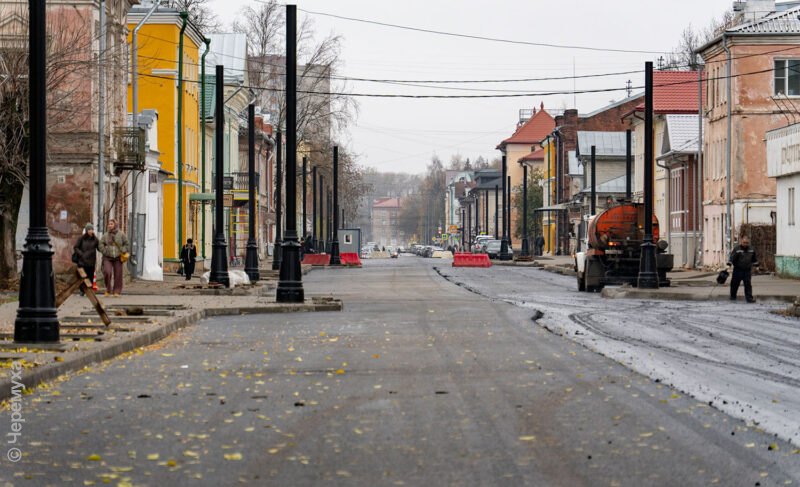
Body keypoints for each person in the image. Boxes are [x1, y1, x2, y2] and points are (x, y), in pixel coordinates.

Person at [98, 218, 129, 297]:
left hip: (118, 257)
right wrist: (105, 251)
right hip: (107, 257)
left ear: (115, 225)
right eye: (109, 224)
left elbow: (127, 244)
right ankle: (108, 289)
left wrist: (123, 250)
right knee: (107, 272)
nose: (110, 225)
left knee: (118, 274)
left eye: (111, 224)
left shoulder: (121, 234)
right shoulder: (105, 235)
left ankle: (117, 291)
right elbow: (101, 244)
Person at [728, 235, 759, 303]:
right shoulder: (737, 249)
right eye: (744, 242)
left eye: (747, 243)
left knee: (748, 285)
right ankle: (733, 297)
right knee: (734, 284)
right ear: (741, 241)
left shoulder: (751, 249)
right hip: (737, 270)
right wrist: (729, 264)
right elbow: (732, 257)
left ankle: (749, 299)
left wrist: (756, 265)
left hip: (747, 270)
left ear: (748, 242)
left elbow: (754, 259)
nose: (745, 244)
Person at [73, 223, 99, 296]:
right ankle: (82, 290)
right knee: (82, 277)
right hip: (82, 261)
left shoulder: (95, 239)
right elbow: (76, 247)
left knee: (90, 276)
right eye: (90, 229)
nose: (91, 231)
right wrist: (81, 254)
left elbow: (99, 247)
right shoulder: (81, 238)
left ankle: (88, 291)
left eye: (92, 229)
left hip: (91, 261)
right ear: (87, 230)